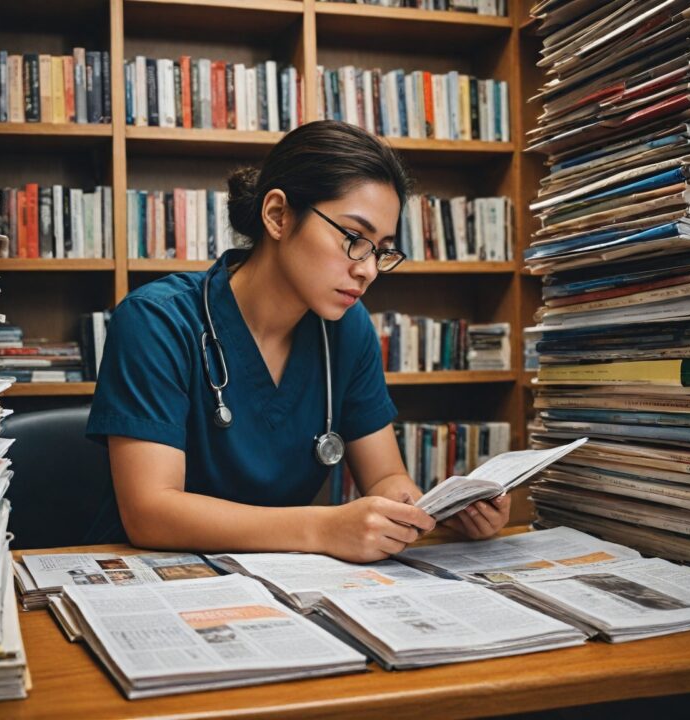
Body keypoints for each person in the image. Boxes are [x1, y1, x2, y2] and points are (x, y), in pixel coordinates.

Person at [86, 120, 511, 562]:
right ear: (277, 215)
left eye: (381, 249)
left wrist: (434, 510)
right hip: (155, 576)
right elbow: (150, 512)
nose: (367, 270)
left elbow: (386, 477)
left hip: (283, 578)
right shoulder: (157, 320)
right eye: (353, 238)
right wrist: (324, 527)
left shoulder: (347, 328)